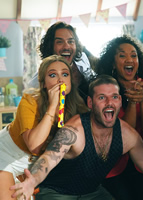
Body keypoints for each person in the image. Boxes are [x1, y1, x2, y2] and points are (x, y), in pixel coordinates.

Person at [10, 75, 143, 200]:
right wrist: (31, 182)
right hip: (56, 193)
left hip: (92, 192)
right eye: (101, 97)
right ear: (90, 102)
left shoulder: (127, 135)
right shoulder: (75, 130)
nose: (109, 102)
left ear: (120, 101)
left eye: (114, 96)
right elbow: (47, 160)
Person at [0, 55, 89, 200]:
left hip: (34, 167)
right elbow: (34, 146)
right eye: (53, 75)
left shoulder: (79, 108)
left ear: (70, 82)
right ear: (43, 84)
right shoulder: (29, 101)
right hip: (6, 154)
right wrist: (53, 106)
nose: (60, 80)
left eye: (65, 74)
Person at [95, 35, 143, 200]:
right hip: (113, 164)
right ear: (112, 62)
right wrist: (133, 102)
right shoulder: (105, 91)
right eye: (122, 55)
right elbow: (123, 134)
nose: (129, 59)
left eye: (134, 55)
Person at [28, 21, 95, 103]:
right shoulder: (37, 81)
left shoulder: (82, 59)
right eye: (60, 42)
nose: (66, 46)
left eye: (70, 41)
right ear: (50, 46)